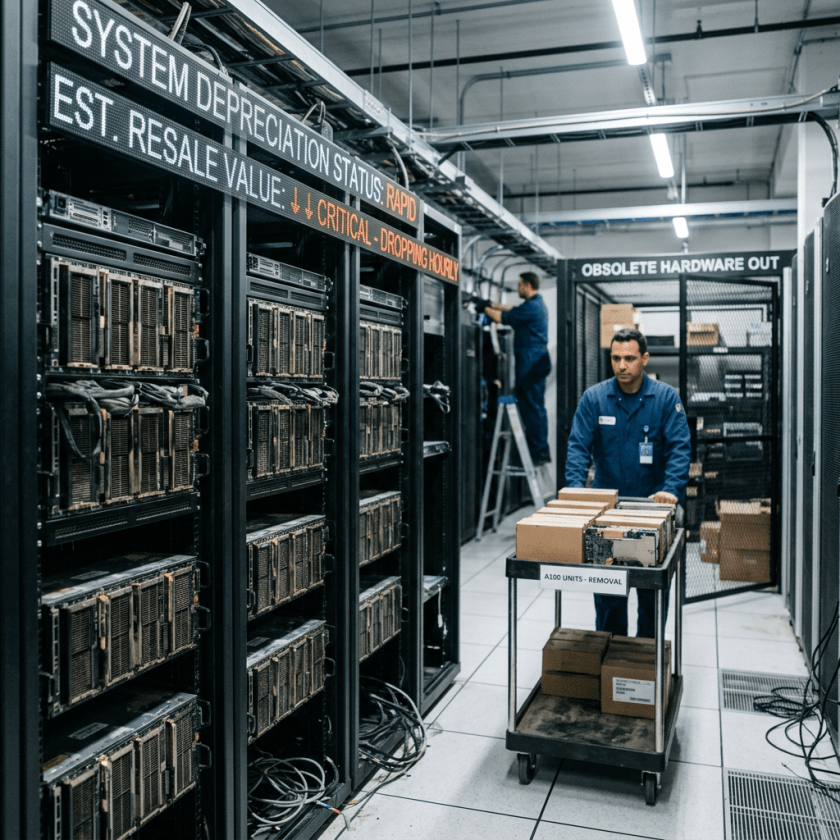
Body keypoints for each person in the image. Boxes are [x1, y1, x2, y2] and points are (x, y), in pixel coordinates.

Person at [565, 328, 690, 638]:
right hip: (609, 515)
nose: (622, 366)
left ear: (644, 359)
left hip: (651, 513)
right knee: (609, 598)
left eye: (630, 359)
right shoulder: (595, 399)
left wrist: (671, 490)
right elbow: (578, 448)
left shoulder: (664, 399)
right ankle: (612, 662)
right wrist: (576, 494)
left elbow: (679, 447)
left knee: (651, 597)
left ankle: (645, 665)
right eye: (616, 358)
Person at [476, 272, 552, 465]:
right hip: (533, 361)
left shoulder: (533, 307)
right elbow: (512, 309)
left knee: (532, 407)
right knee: (533, 405)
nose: (518, 288)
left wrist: (483, 308)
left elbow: (504, 318)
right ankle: (538, 449)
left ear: (527, 286)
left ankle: (539, 452)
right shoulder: (534, 305)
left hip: (531, 362)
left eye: (519, 285)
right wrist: (489, 303)